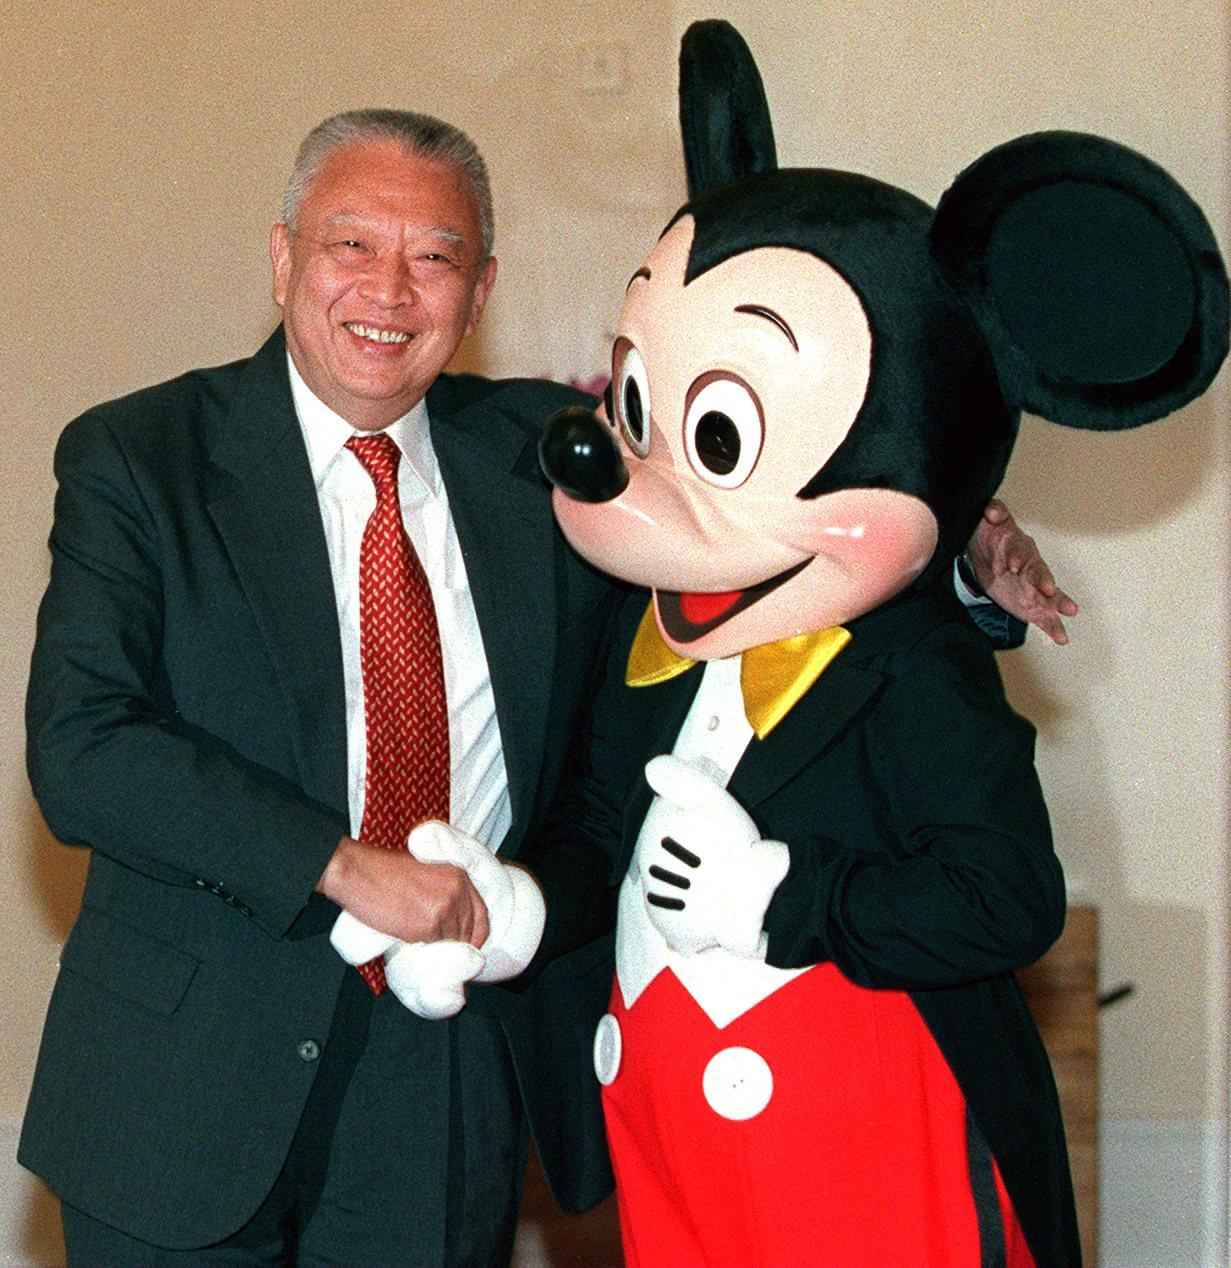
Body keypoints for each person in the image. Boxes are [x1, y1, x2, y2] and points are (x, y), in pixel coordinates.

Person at [20, 106, 1071, 1265]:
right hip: (181, 1083)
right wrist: (341, 862)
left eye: (437, 257)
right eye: (351, 244)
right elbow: (84, 744)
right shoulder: (142, 455)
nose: (391, 289)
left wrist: (958, 529)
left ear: (479, 294)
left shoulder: (546, 461)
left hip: (447, 1075)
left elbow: (758, 514)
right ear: (282, 259)